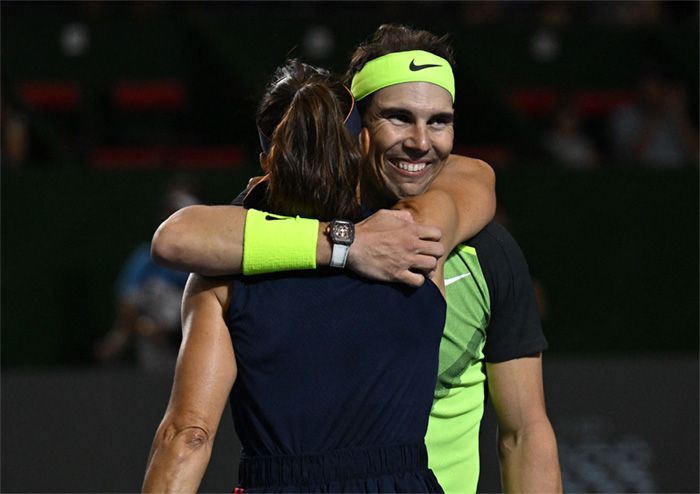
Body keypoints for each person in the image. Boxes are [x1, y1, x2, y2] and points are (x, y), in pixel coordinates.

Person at [151, 24, 561, 493]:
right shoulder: (420, 245)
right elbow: (178, 236)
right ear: (357, 131)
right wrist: (351, 243)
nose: (421, 142)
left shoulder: (467, 245)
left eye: (440, 121)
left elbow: (525, 432)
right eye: (399, 118)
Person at [143, 61, 451, 492]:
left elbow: (187, 436)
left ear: (267, 159)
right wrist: (350, 242)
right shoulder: (417, 236)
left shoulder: (221, 279)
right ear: (361, 143)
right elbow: (478, 178)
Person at [94, 181, 199, 373]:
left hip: (192, 339)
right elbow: (127, 303)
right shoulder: (145, 256)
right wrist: (144, 328)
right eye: (166, 214)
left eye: (175, 214)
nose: (168, 220)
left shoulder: (203, 260)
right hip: (151, 344)